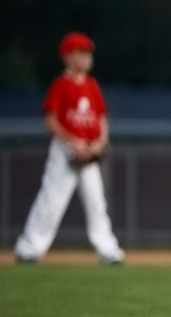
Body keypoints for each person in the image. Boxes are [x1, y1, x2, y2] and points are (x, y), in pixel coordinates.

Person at [14, 32, 125, 265]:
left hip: (89, 151)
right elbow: (51, 122)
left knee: (97, 203)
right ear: (67, 56)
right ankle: (28, 249)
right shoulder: (61, 85)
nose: (87, 57)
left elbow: (101, 118)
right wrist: (73, 141)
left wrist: (100, 142)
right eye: (81, 53)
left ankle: (109, 251)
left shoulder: (91, 85)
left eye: (88, 53)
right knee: (51, 201)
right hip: (65, 150)